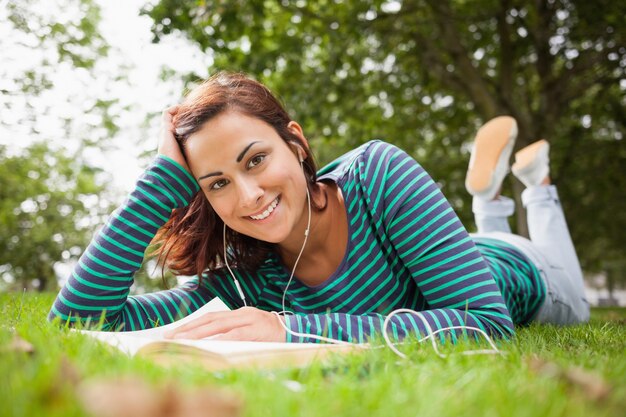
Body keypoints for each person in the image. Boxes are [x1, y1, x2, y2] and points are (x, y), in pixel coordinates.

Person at [48, 72, 589, 344]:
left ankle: (534, 184)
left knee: (571, 282)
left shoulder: (378, 174)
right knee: (480, 224)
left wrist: (289, 330)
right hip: (458, 252)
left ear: (297, 143)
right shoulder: (244, 280)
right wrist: (160, 184)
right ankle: (489, 197)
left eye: (255, 160)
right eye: (216, 184)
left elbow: (486, 322)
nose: (248, 196)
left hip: (527, 272)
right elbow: (79, 322)